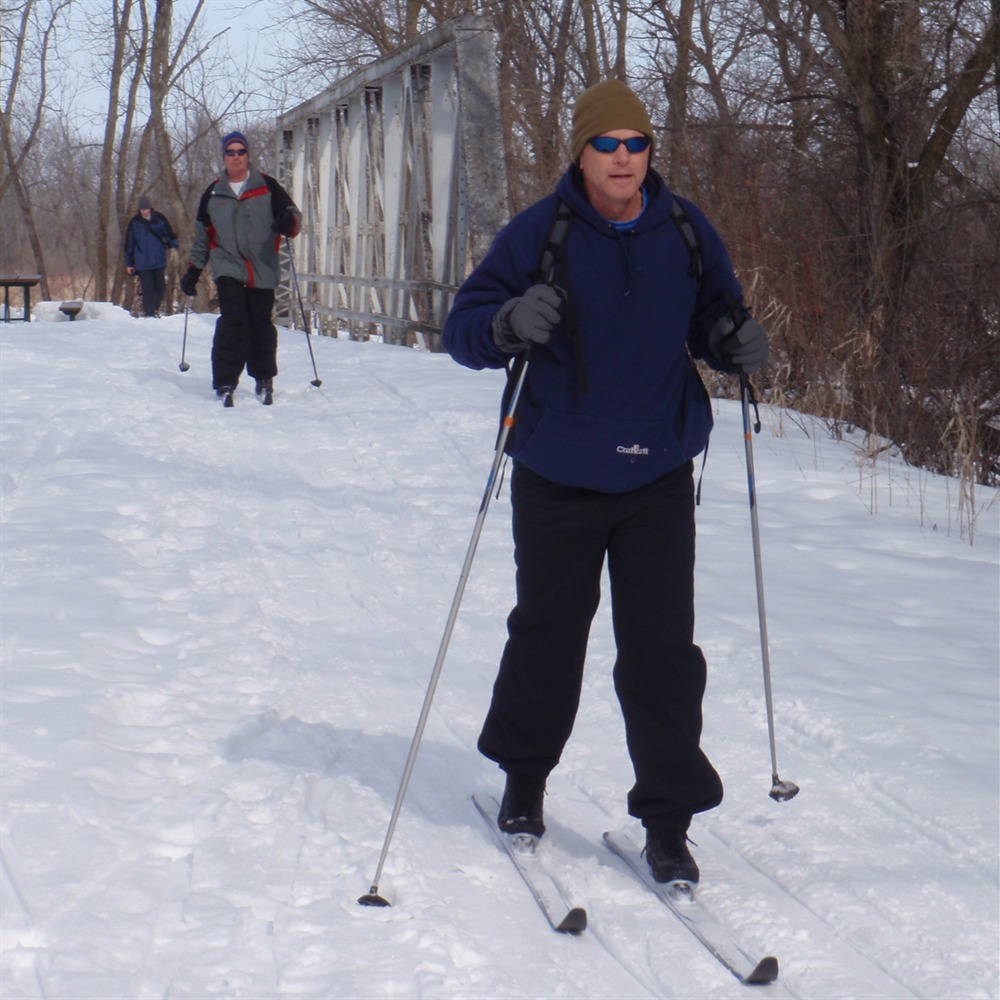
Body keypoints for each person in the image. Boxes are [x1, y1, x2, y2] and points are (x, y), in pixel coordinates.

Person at [442, 79, 768, 885]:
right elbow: (464, 330)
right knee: (548, 633)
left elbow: (717, 316)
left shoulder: (688, 230)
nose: (624, 158)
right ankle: (524, 779)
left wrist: (735, 340)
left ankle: (667, 820)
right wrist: (507, 323)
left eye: (637, 143)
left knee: (661, 654)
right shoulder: (539, 233)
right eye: (607, 144)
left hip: (657, 471)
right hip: (556, 468)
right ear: (581, 153)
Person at [180, 130, 301, 405]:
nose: (236, 157)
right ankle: (225, 381)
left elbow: (294, 217)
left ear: (248, 155)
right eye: (230, 152)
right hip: (227, 263)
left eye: (241, 151)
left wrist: (287, 222)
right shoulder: (212, 193)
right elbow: (203, 237)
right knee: (233, 321)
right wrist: (193, 271)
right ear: (223, 157)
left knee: (260, 323)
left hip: (263, 264)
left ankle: (263, 379)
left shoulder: (268, 187)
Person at [125, 194, 178, 317]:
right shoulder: (134, 223)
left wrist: (175, 246)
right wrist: (129, 263)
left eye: (146, 209)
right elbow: (129, 244)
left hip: (158, 259)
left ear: (150, 208)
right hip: (142, 261)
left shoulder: (159, 219)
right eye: (142, 209)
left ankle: (155, 308)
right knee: (147, 287)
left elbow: (169, 234)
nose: (144, 211)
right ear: (139, 209)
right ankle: (149, 312)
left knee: (160, 286)